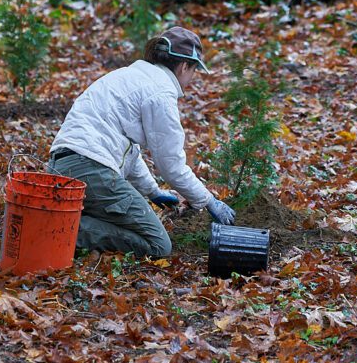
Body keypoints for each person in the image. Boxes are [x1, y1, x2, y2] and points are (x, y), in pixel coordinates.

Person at [47, 26, 236, 257]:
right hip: (92, 170)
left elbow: (127, 148)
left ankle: (63, 223)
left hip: (61, 165)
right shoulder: (161, 93)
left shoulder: (131, 75)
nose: (192, 78)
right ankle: (60, 230)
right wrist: (208, 201)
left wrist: (152, 191)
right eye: (194, 71)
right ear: (185, 66)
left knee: (130, 223)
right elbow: (171, 165)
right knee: (158, 246)